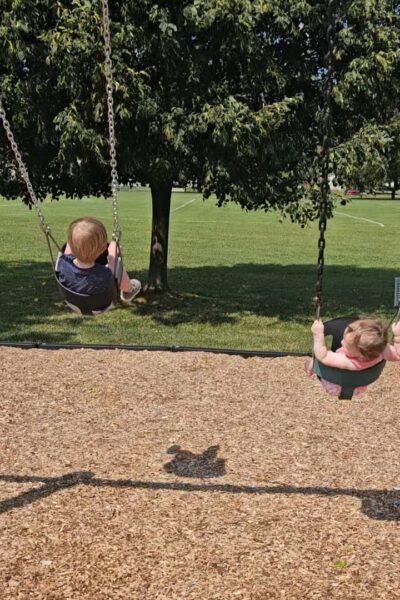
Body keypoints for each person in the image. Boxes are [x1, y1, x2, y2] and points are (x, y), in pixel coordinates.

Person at [58, 217, 141, 305]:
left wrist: (76, 238)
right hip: (98, 307)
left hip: (73, 301)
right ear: (103, 249)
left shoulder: (63, 263)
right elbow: (113, 264)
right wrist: (114, 247)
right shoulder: (103, 274)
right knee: (117, 269)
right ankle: (129, 289)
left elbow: (69, 248)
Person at [306, 318, 400, 396]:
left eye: (346, 346)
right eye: (344, 339)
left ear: (361, 355)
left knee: (313, 362)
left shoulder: (347, 361)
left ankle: (310, 369)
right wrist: (397, 336)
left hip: (335, 386)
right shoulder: (381, 350)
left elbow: (323, 357)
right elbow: (397, 355)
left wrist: (318, 335)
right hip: (359, 385)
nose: (342, 342)